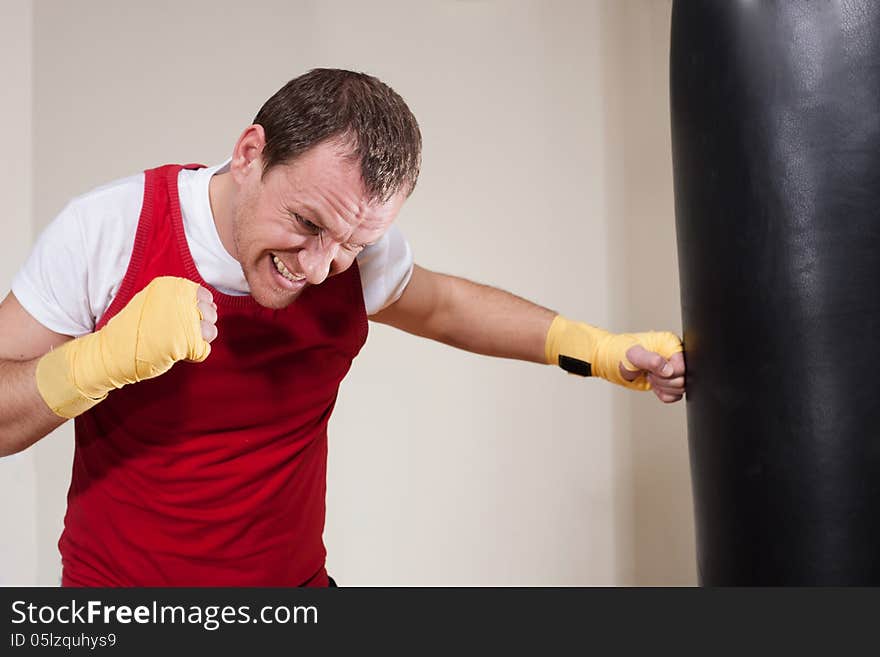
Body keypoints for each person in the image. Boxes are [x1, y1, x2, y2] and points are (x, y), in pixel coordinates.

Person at [0, 68, 685, 586]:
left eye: (352, 242)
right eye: (305, 223)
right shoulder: (110, 231)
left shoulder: (353, 258)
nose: (320, 266)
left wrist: (594, 351)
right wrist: (99, 359)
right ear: (248, 154)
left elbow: (448, 309)